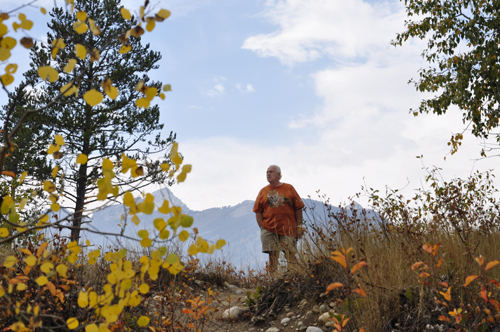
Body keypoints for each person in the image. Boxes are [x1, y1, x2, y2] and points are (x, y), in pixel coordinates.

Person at [253, 165, 305, 275]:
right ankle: (273, 279)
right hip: (269, 229)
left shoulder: (289, 188)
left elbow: (298, 207)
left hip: (288, 228)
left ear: (279, 175)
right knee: (273, 256)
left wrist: (299, 227)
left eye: (271, 172)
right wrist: (262, 227)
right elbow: (258, 211)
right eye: (267, 172)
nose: (268, 174)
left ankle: (293, 277)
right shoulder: (263, 191)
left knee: (290, 254)